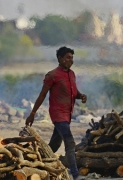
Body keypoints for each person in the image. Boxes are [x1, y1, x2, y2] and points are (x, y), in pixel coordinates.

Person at [25, 46, 87, 180]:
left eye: (72, 58)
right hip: (58, 114)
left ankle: (36, 164)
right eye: (68, 58)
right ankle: (76, 175)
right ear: (60, 59)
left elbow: (73, 92)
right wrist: (33, 113)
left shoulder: (71, 74)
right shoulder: (52, 75)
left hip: (68, 114)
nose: (71, 60)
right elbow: (42, 95)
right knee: (70, 142)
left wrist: (81, 96)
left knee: (54, 145)